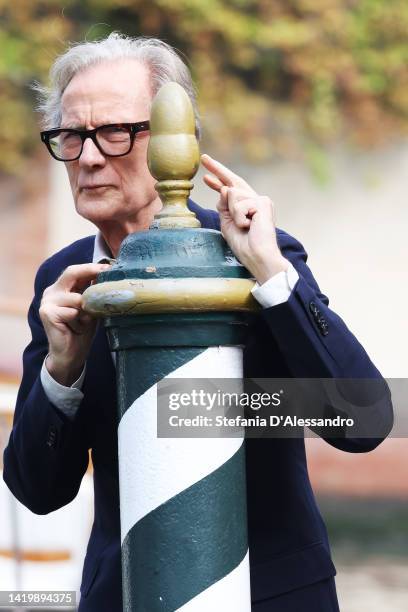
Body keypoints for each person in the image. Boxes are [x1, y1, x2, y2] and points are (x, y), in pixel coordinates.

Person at [3, 33, 392, 612]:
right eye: (71, 135)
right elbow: (38, 492)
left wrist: (271, 274)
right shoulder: (65, 281)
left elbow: (363, 423)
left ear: (175, 141)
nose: (87, 158)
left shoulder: (253, 256)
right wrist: (62, 372)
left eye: (114, 131)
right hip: (126, 595)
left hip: (271, 595)